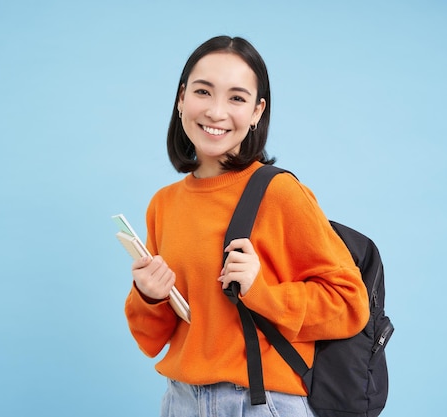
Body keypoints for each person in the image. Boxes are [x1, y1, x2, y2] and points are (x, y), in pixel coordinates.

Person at [124, 35, 370, 417]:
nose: (216, 111)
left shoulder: (280, 193)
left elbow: (350, 304)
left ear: (257, 112)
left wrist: (261, 291)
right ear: (181, 99)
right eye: (203, 92)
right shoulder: (163, 204)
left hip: (260, 403)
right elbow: (151, 339)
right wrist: (150, 296)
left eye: (236, 98)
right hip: (181, 401)